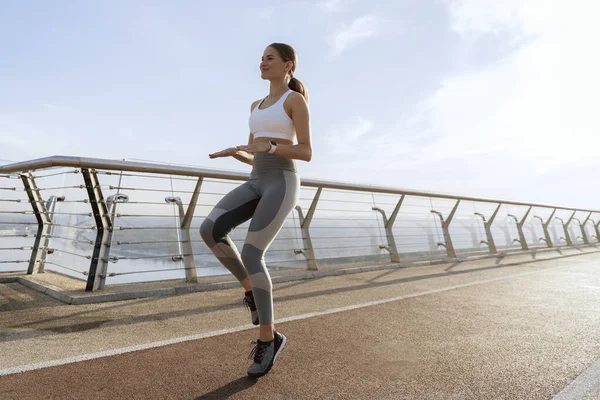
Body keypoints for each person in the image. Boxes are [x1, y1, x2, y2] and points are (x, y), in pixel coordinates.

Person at [200, 42, 312, 378]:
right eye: (262, 58)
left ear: (288, 65)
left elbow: (306, 151)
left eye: (270, 58)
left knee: (252, 253)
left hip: (282, 182)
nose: (263, 62)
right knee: (210, 229)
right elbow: (255, 151)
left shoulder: (294, 100)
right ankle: (250, 290)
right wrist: (239, 152)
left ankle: (268, 338)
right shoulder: (256, 105)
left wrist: (272, 146)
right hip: (256, 178)